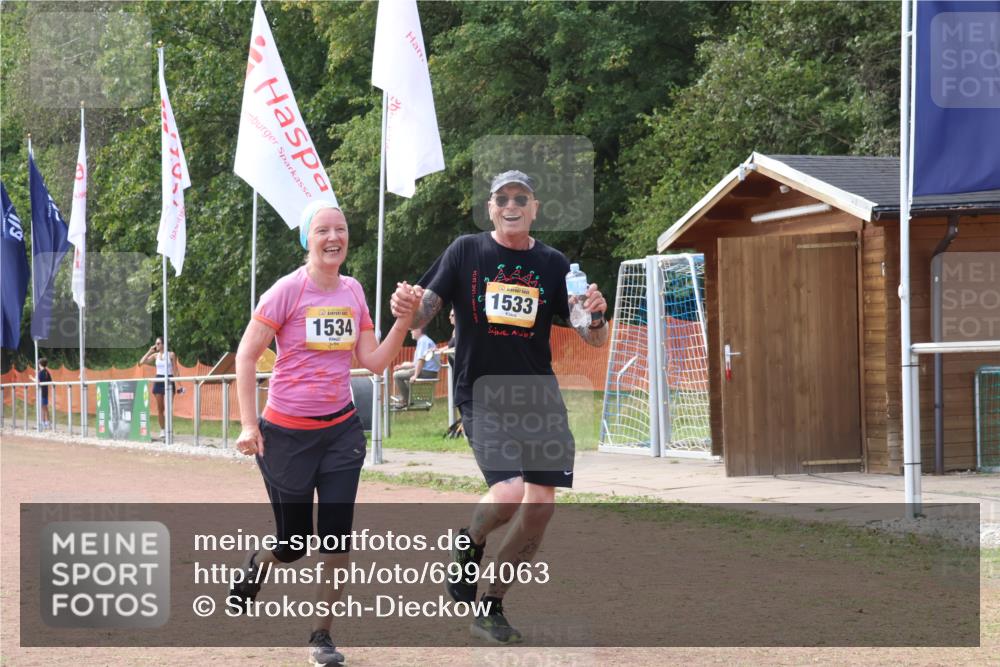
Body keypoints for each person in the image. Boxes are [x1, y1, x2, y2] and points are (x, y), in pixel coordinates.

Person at [391, 169, 608, 644]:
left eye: (521, 198)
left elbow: (592, 338)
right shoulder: (466, 251)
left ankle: (492, 606)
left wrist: (597, 315)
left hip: (539, 398)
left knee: (540, 508)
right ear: (490, 207)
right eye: (502, 197)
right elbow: (422, 316)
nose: (511, 204)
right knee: (509, 495)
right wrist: (406, 305)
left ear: (535, 208)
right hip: (482, 392)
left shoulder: (555, 264)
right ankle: (468, 543)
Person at [229, 201, 419, 666]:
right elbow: (246, 356)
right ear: (307, 240)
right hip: (285, 436)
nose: (333, 237)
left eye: (341, 229)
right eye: (322, 231)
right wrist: (249, 424)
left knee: (335, 538)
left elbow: (373, 362)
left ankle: (321, 636)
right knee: (294, 544)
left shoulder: (353, 292)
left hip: (340, 433)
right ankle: (260, 564)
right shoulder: (285, 292)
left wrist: (404, 321)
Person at [139, 337, 179, 441]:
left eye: (158, 343)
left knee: (168, 408)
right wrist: (149, 351)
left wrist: (179, 384)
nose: (157, 345)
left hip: (169, 380)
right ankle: (162, 430)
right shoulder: (155, 355)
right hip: (159, 380)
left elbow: (175, 369)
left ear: (164, 344)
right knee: (160, 408)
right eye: (156, 343)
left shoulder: (171, 354)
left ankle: (169, 429)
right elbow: (141, 362)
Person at [391, 326, 440, 406]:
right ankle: (408, 398)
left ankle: (406, 400)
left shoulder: (423, 341)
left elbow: (421, 360)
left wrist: (415, 375)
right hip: (427, 371)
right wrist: (401, 367)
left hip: (427, 372)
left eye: (412, 330)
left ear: (419, 329)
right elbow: (415, 364)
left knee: (396, 375)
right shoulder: (423, 340)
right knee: (400, 372)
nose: (411, 332)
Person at [35, 357, 52, 429]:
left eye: (39, 364)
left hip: (42, 392)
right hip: (44, 391)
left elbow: (38, 382)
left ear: (40, 364)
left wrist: (33, 379)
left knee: (44, 407)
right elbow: (49, 380)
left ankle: (47, 422)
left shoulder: (42, 372)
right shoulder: (46, 372)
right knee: (43, 407)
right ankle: (44, 422)